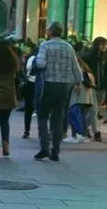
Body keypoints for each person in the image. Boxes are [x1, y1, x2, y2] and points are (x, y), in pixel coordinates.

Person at [34, 22, 84, 162]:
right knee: (58, 117)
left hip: (48, 84)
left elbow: (40, 64)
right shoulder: (68, 47)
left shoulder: (45, 45)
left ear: (51, 32)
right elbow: (76, 68)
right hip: (64, 86)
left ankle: (45, 147)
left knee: (43, 115)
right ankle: (55, 150)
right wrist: (78, 82)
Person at [84, 37, 106, 141]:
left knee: (94, 110)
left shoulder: (105, 57)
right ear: (96, 45)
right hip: (91, 86)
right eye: (101, 44)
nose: (104, 47)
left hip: (102, 87)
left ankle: (85, 128)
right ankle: (96, 132)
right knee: (93, 109)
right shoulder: (89, 56)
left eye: (105, 45)